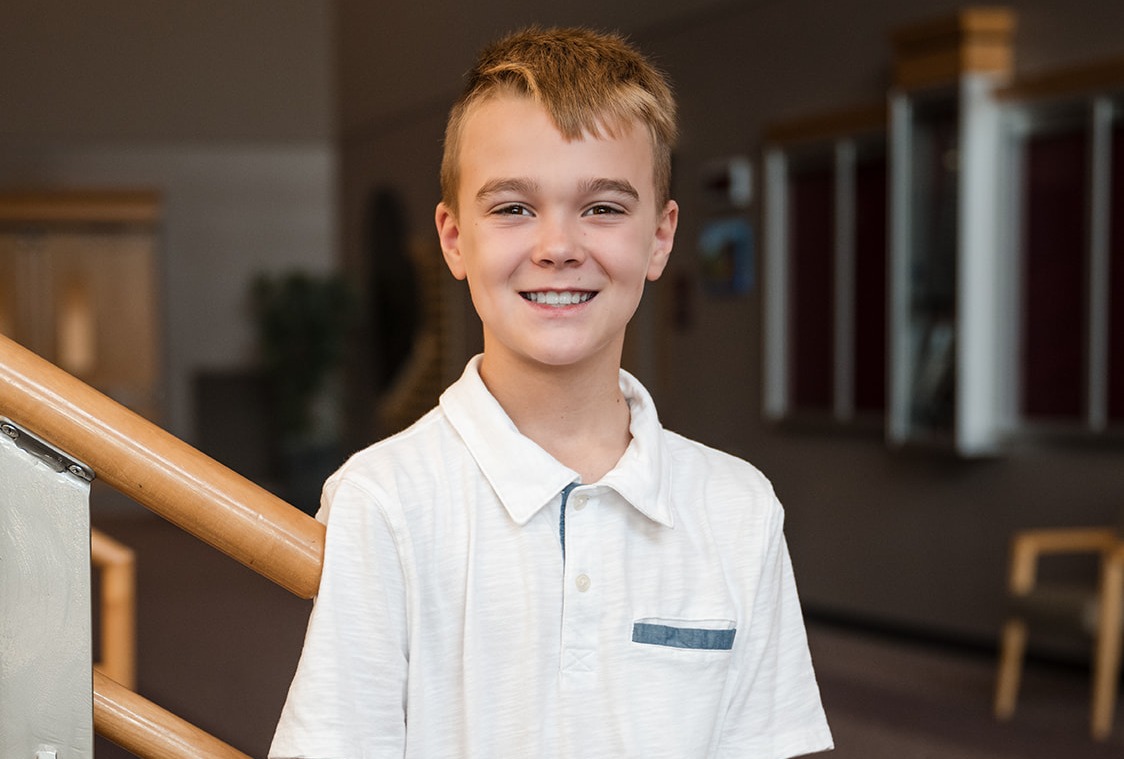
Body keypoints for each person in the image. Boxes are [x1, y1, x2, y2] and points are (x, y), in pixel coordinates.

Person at [269, 26, 832, 759]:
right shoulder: (385, 500)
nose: (558, 246)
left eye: (602, 207)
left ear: (660, 238)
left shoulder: (739, 509)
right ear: (453, 239)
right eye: (512, 208)